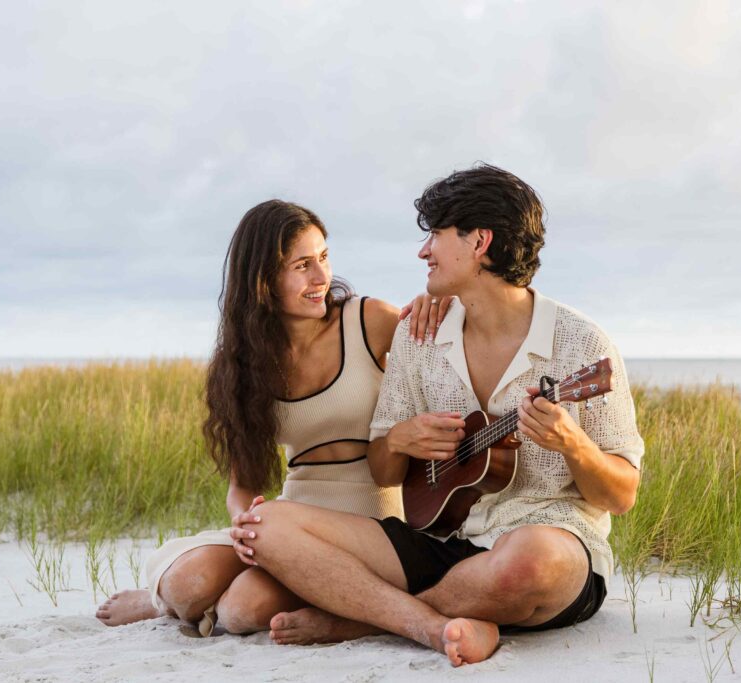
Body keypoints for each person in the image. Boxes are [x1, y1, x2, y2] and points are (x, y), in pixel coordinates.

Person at [240, 164, 645, 666]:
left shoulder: (582, 345)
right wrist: (401, 439)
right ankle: (428, 623)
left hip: (545, 542)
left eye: (435, 234)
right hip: (440, 540)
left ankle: (357, 620)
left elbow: (622, 495)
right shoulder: (419, 335)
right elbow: (385, 471)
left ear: (479, 242)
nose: (423, 251)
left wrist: (574, 445)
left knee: (531, 562)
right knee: (264, 524)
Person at [95, 199, 448, 633]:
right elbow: (243, 486)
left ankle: (235, 601)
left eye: (323, 257)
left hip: (373, 521)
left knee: (243, 612)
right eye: (302, 265)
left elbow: (449, 360)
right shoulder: (243, 363)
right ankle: (163, 602)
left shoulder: (368, 321)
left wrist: (440, 304)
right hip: (291, 520)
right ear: (262, 279)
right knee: (189, 582)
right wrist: (244, 526)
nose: (322, 277)